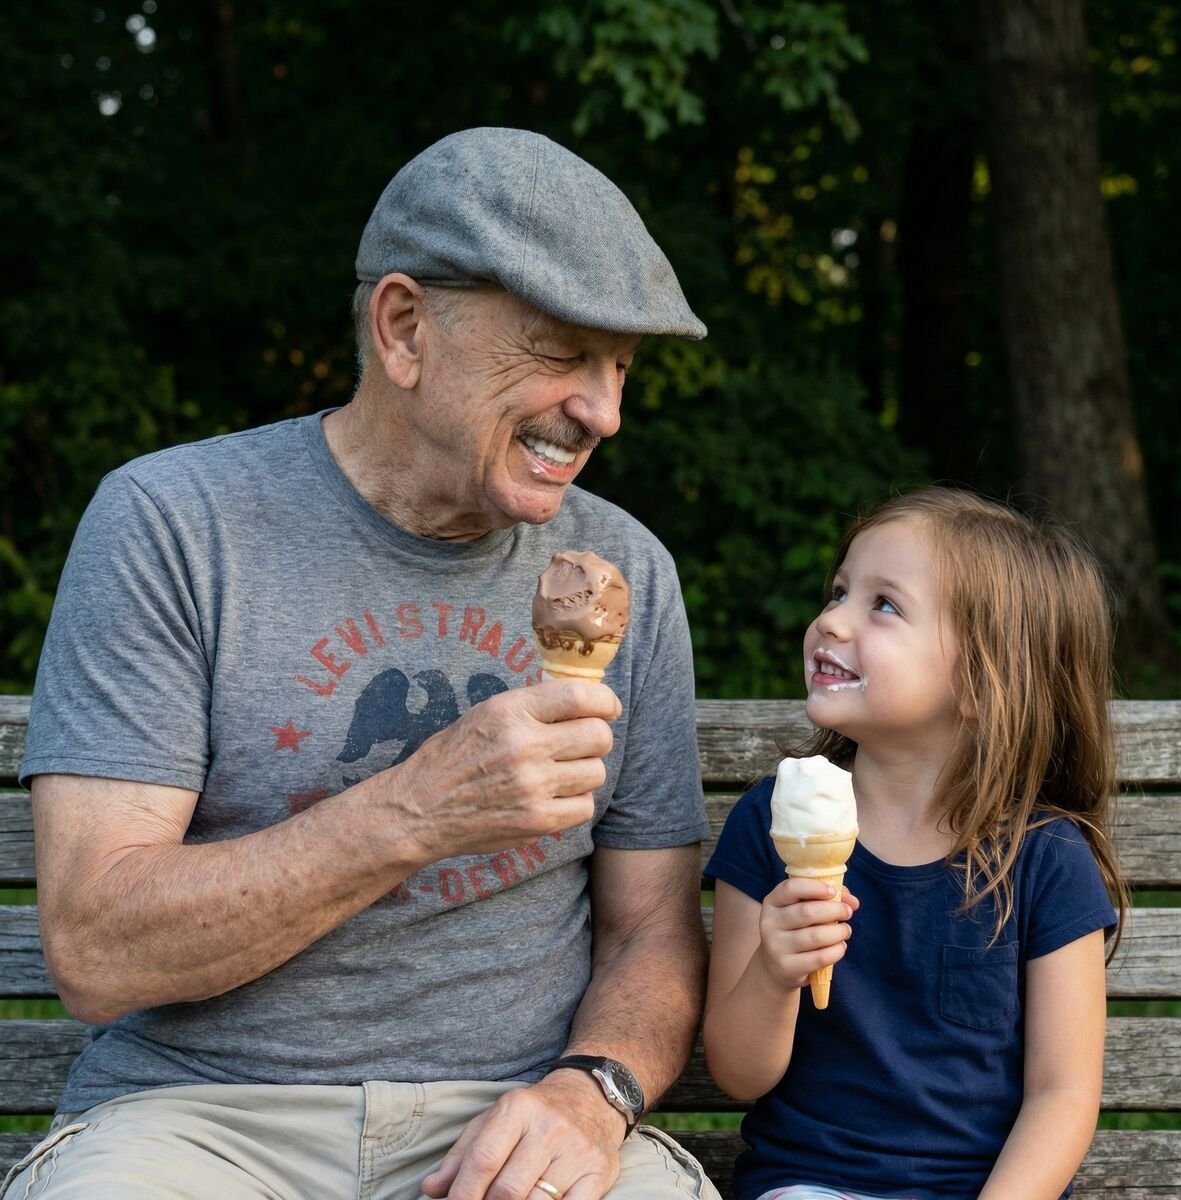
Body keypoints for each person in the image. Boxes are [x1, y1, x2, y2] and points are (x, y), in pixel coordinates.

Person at [10, 128, 720, 1200]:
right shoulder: (175, 528)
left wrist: (593, 1093)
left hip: (515, 1118)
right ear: (402, 328)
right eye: (562, 352)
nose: (604, 412)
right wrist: (417, 811)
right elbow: (98, 946)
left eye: (621, 367)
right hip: (201, 1125)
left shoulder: (626, 570)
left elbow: (652, 934)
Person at [703, 488, 1126, 1200]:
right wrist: (773, 974)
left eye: (883, 604)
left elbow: (1062, 1094)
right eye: (839, 591)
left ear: (982, 681)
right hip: (811, 1184)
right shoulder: (772, 823)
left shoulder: (1046, 860)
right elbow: (740, 1074)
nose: (830, 620)